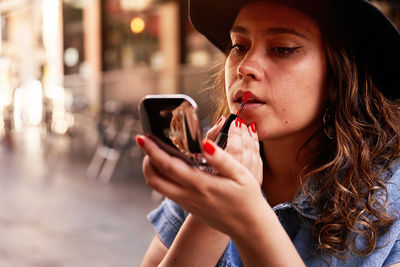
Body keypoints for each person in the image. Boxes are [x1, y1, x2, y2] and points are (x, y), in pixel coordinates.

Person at [136, 0, 400, 266]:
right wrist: (210, 212)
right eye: (239, 46)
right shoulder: (209, 167)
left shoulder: (393, 194)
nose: (244, 67)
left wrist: (247, 217)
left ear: (338, 77)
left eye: (282, 49)